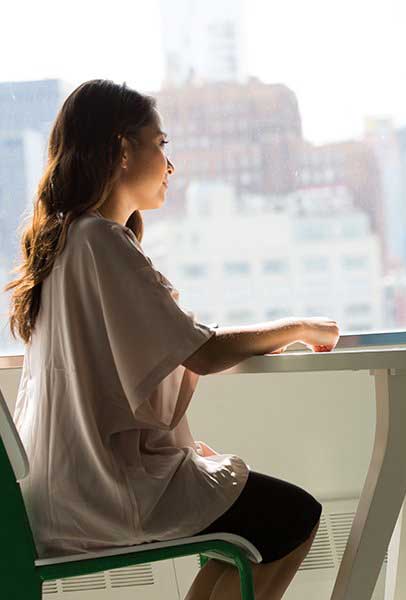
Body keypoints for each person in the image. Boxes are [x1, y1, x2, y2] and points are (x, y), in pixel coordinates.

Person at [7, 79, 339, 600]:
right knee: (294, 517)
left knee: (255, 531)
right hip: (104, 492)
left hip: (65, 488)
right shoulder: (99, 241)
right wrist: (298, 328)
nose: (170, 163)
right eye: (161, 144)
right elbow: (201, 352)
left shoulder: (67, 242)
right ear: (122, 149)